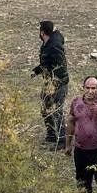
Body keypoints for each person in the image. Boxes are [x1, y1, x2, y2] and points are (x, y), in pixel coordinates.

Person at [32, 20, 69, 149]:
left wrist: (56, 83)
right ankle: (51, 135)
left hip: (57, 83)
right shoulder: (48, 43)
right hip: (50, 82)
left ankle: (61, 140)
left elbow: (60, 66)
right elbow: (47, 63)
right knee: (45, 106)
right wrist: (37, 71)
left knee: (56, 110)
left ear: (42, 32)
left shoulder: (54, 45)